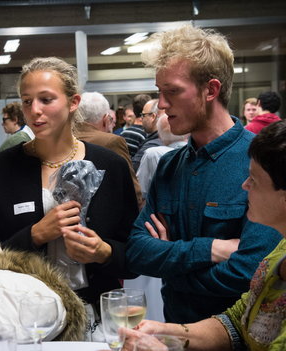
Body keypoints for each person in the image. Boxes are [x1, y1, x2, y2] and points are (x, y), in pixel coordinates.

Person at [125, 24, 282, 324]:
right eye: (160, 92)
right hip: (174, 334)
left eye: (172, 92)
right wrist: (210, 248)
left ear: (211, 90)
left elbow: (250, 272)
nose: (161, 104)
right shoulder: (169, 166)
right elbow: (137, 251)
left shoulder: (260, 162)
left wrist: (171, 265)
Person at [0, 57, 139, 307]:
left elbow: (135, 256)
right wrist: (34, 235)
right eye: (27, 101)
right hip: (26, 313)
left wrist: (104, 252)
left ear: (74, 102)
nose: (35, 110)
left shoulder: (110, 166)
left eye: (46, 99)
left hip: (98, 311)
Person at [121, 119, 286, 351]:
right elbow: (235, 324)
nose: (244, 186)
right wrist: (164, 332)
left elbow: (243, 272)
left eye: (255, 181)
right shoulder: (278, 254)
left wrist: (170, 269)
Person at [75, 91, 142, 209]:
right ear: (106, 119)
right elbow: (131, 188)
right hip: (106, 214)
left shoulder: (65, 140)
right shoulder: (112, 141)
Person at [136, 114, 188, 199]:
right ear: (187, 133)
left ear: (159, 135)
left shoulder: (152, 154)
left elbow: (141, 192)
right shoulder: (200, 151)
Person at [131, 99, 163, 171]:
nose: (141, 119)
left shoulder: (150, 146)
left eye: (143, 115)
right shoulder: (167, 139)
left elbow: (132, 171)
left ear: (153, 117)